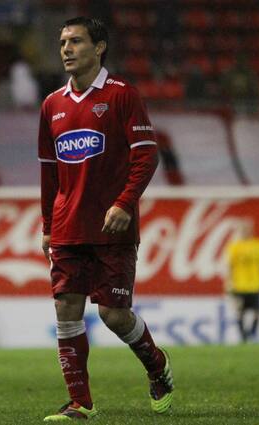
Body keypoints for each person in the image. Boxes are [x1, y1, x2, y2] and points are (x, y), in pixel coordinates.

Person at [37, 17, 172, 421]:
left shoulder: (121, 95)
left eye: (76, 41)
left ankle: (157, 365)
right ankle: (80, 403)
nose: (67, 49)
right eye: (63, 42)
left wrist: (124, 204)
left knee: (113, 315)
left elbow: (147, 156)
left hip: (112, 228)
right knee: (66, 310)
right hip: (67, 226)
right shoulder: (52, 105)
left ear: (99, 48)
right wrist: (48, 226)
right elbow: (49, 172)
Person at [225, 220, 259, 343]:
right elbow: (230, 266)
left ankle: (252, 332)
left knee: (258, 312)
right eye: (243, 229)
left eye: (247, 229)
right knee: (239, 312)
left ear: (252, 230)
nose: (245, 231)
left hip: (255, 284)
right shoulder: (234, 247)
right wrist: (228, 282)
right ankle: (243, 337)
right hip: (239, 285)